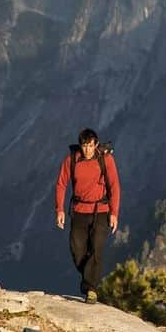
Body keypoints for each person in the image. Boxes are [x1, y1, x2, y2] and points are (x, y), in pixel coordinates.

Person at [55, 128, 120, 303]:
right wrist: (59, 209)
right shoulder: (72, 159)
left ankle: (91, 289)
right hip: (79, 211)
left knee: (96, 249)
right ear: (80, 145)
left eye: (91, 146)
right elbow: (61, 184)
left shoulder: (105, 159)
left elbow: (114, 187)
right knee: (77, 251)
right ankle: (90, 276)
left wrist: (114, 213)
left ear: (96, 145)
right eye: (84, 146)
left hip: (101, 211)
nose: (88, 150)